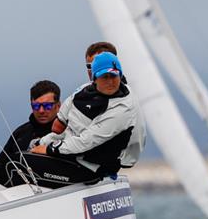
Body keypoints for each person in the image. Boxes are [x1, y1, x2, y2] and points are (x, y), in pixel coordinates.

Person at [29, 51, 142, 181]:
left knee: (22, 166)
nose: (110, 81)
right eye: (105, 76)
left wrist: (50, 149)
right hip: (74, 156)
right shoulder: (85, 91)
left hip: (92, 169)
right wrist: (41, 142)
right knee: (20, 158)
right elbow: (70, 125)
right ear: (95, 79)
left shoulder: (122, 109)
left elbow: (86, 141)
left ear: (120, 76)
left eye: (114, 76)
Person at [0, 80, 61, 186]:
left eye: (47, 106)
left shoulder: (69, 131)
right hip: (18, 193)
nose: (41, 111)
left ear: (58, 106)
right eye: (36, 106)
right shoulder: (21, 133)